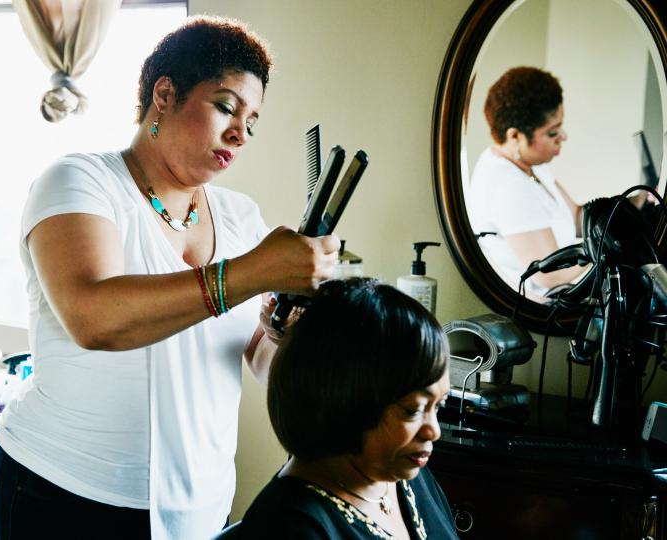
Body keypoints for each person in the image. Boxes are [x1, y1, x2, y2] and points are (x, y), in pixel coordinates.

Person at [0, 16, 341, 540]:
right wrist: (250, 273)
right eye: (226, 106)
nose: (240, 133)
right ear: (165, 93)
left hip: (198, 508)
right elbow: (94, 318)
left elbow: (263, 364)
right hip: (63, 493)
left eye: (252, 121)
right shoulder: (79, 182)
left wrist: (279, 330)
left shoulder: (241, 218)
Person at [238, 278, 457, 539]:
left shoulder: (401, 473)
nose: (433, 431)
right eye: (413, 410)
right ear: (346, 400)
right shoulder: (290, 529)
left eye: (438, 405)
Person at [467, 66, 585, 299]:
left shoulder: (530, 163)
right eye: (552, 133)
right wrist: (609, 250)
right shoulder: (507, 185)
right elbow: (550, 274)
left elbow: (577, 218)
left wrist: (630, 206)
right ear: (514, 136)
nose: (563, 137)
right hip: (539, 316)